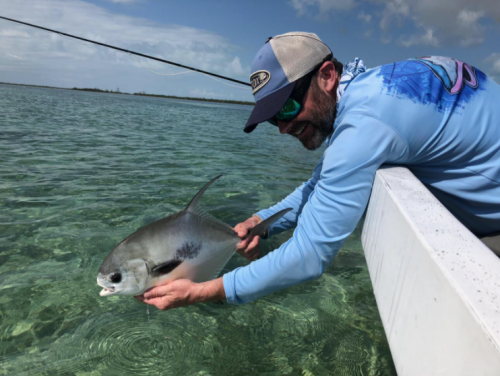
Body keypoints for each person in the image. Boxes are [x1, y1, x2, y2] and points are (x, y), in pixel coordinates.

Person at [135, 32, 500, 310]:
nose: (283, 127)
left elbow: (309, 255)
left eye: (289, 106)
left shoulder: (364, 124)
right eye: (273, 117)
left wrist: (204, 291)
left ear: (327, 74)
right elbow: (318, 184)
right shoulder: (371, 93)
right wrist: (260, 220)